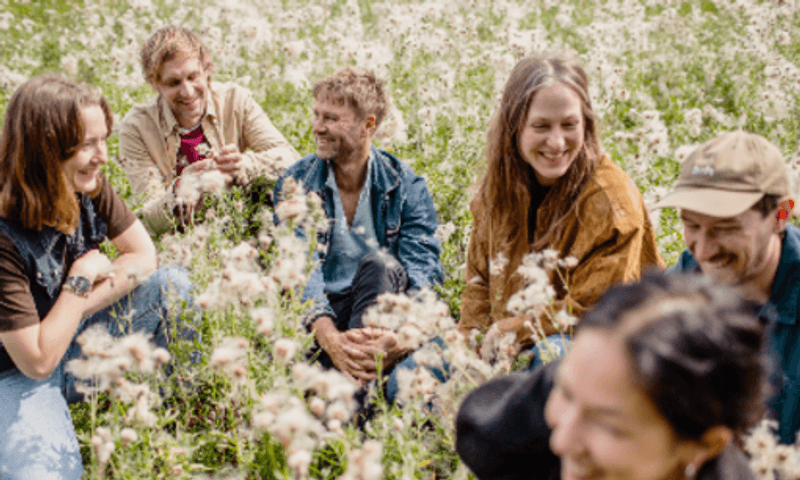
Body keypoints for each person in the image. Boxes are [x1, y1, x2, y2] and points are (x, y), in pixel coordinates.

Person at [0, 75, 196, 480]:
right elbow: (35, 361)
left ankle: (170, 422)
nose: (102, 157)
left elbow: (144, 257)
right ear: (45, 148)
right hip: (13, 375)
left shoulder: (83, 183)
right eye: (87, 144)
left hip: (70, 338)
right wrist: (79, 280)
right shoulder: (3, 235)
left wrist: (77, 306)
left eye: (103, 140)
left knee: (172, 288)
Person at [456, 271, 771, 480]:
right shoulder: (576, 396)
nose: (561, 442)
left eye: (607, 425)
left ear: (705, 445)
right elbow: (482, 429)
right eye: (566, 392)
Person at [458, 54, 663, 363]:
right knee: (407, 377)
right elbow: (479, 284)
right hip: (504, 347)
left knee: (548, 359)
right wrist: (467, 347)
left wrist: (513, 329)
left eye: (569, 125)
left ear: (587, 124)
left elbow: (598, 310)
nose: (556, 142)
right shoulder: (497, 190)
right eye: (540, 126)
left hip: (601, 351)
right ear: (514, 127)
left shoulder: (611, 201)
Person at [273, 68, 444, 399]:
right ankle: (358, 395)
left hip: (380, 309)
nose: (317, 127)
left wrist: (401, 338)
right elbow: (297, 270)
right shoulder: (296, 182)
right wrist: (332, 340)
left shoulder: (406, 186)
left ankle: (353, 391)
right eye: (317, 115)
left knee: (381, 265)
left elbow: (424, 275)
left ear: (369, 125)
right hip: (320, 318)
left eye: (332, 119)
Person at [652, 130, 799, 444]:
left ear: (780, 216)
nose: (703, 251)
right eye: (691, 225)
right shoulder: (680, 288)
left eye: (726, 228)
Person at [119, 25, 301, 235]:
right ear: (154, 84)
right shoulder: (137, 128)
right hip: (184, 243)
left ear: (206, 70)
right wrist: (180, 190)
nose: (187, 92)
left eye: (193, 77)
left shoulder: (234, 100)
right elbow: (148, 218)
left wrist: (242, 165)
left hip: (248, 226)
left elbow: (291, 160)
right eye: (173, 83)